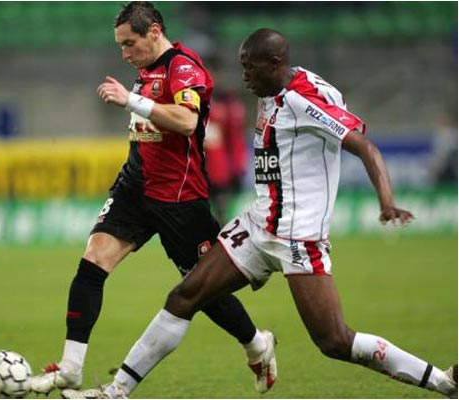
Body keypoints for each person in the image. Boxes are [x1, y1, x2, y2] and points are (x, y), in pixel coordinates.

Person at [62, 28, 458, 399]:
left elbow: (364, 146)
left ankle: (442, 380)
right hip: (257, 226)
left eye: (250, 66)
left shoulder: (302, 100)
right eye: (242, 65)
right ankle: (116, 392)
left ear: (274, 63)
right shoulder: (272, 88)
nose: (244, 75)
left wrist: (386, 202)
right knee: (185, 295)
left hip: (297, 237)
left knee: (333, 340)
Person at [30, 2, 275, 395]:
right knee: (92, 262)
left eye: (129, 44)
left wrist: (130, 100)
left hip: (179, 197)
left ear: (154, 31)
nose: (124, 54)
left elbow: (186, 121)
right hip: (135, 188)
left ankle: (257, 344)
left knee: (200, 289)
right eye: (120, 46)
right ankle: (71, 368)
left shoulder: (184, 67)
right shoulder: (146, 71)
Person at [204, 56, 249, 224]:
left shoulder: (228, 101)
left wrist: (237, 167)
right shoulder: (189, 99)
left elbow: (236, 138)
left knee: (221, 212)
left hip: (220, 169)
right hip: (195, 168)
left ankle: (221, 246)